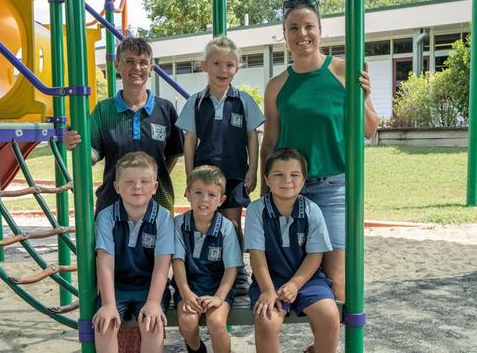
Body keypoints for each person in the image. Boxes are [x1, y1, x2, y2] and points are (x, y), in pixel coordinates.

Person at [260, 0, 379, 302]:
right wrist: (264, 186)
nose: (303, 35)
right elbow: (270, 141)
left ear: (320, 30)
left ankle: (326, 345)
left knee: (338, 278)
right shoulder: (276, 86)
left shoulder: (342, 71)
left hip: (332, 187)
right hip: (288, 189)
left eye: (309, 26)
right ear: (285, 35)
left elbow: (369, 129)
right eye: (294, 28)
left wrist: (364, 97)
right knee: (290, 272)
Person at [175, 36, 264, 294]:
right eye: (216, 64)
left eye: (229, 65)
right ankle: (205, 268)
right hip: (205, 176)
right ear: (205, 66)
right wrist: (191, 176)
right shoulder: (196, 101)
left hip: (235, 174)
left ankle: (236, 272)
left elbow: (252, 137)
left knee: (233, 223)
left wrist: (252, 170)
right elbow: (190, 141)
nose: (222, 71)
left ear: (237, 68)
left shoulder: (244, 101)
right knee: (205, 219)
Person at [65, 37, 184, 215]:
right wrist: (74, 142)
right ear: (117, 65)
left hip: (157, 204)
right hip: (113, 205)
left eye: (143, 62)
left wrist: (150, 179)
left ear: (150, 69)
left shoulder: (165, 109)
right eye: (129, 61)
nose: (136, 68)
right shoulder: (104, 110)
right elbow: (91, 155)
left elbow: (173, 153)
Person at [245, 148, 340, 353]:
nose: (287, 180)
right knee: (266, 320)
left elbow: (315, 255)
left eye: (294, 175)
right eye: (278, 174)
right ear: (267, 179)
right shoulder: (256, 210)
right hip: (270, 279)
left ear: (304, 180)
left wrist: (295, 284)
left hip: (307, 279)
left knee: (330, 316)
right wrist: (268, 290)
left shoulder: (312, 210)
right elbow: (256, 256)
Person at [92, 151, 174, 353]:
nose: (137, 187)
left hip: (149, 287)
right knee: (105, 325)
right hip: (116, 287)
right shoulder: (106, 217)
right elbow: (105, 263)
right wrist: (109, 304)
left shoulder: (163, 218)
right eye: (129, 182)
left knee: (152, 324)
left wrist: (154, 302)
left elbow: (162, 266)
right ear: (117, 187)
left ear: (155, 187)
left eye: (144, 181)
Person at [172, 165, 243, 353]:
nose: (204, 199)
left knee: (217, 323)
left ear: (221, 200)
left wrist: (219, 297)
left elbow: (231, 269)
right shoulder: (179, 224)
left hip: (218, 286)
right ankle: (197, 350)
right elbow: (177, 261)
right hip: (189, 285)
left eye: (212, 195)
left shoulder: (227, 227)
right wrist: (186, 292)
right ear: (187, 193)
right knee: (187, 324)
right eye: (198, 192)